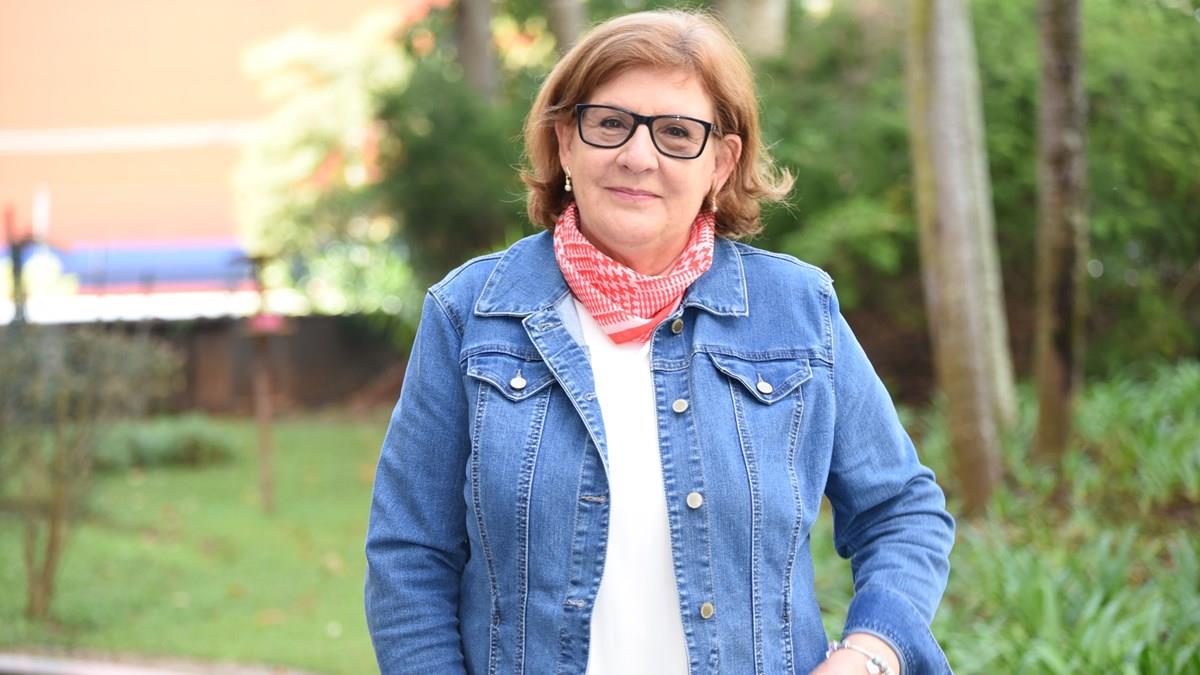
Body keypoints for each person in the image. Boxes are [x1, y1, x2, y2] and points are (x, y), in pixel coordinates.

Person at [365, 9, 955, 675]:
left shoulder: (797, 312)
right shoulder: (470, 314)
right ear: (565, 142)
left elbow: (901, 511)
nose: (638, 156)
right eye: (609, 123)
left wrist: (869, 655)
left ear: (721, 163)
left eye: (677, 132)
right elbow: (409, 556)